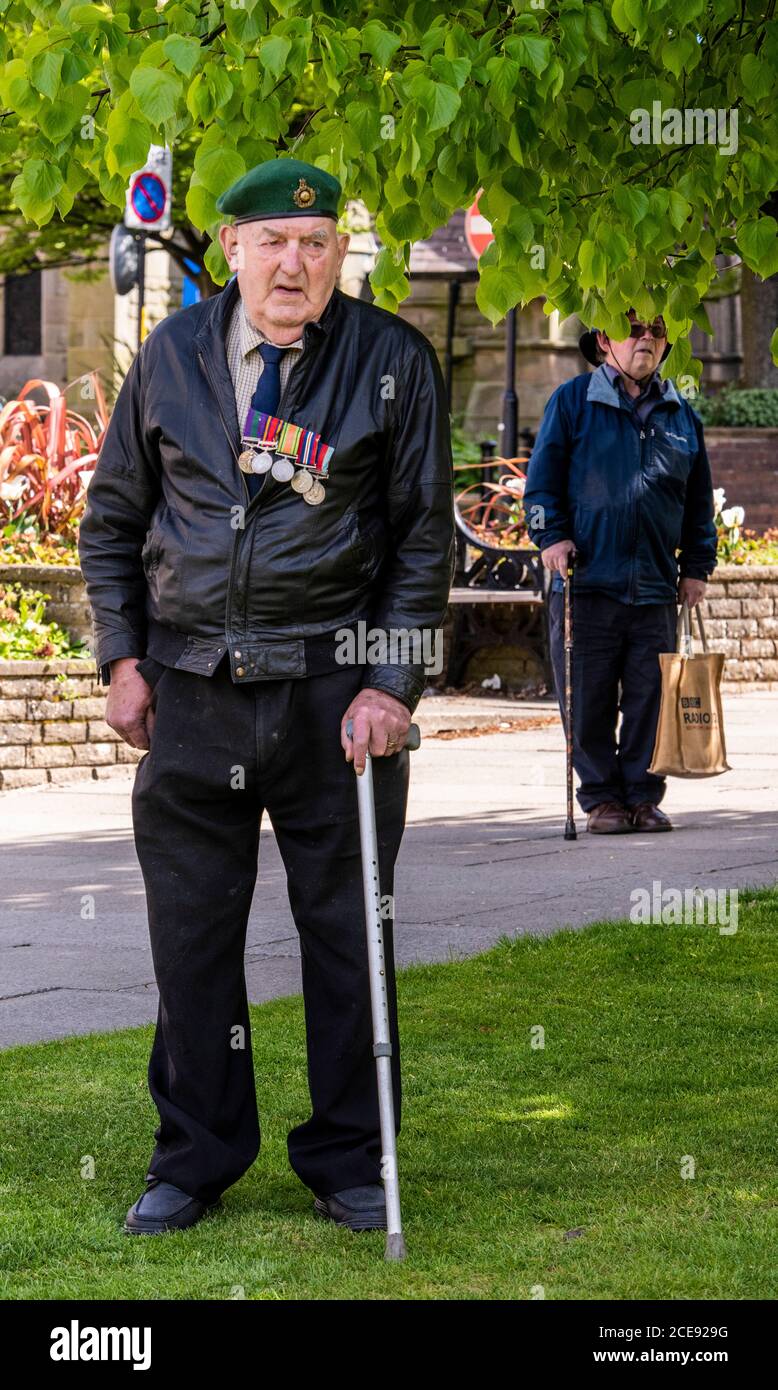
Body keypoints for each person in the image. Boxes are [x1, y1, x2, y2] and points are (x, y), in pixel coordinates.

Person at [78, 157, 455, 1235]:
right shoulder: (169, 356)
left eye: (318, 242)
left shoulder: (392, 360)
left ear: (338, 253)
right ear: (230, 250)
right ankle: (194, 1157)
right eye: (274, 241)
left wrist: (391, 681)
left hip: (337, 695)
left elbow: (421, 537)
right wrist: (121, 659)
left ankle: (348, 1159)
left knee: (348, 935)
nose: (296, 261)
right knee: (191, 939)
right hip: (192, 691)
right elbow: (111, 523)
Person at [523, 309, 717, 834]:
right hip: (587, 582)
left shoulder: (681, 415)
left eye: (657, 331)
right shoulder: (572, 402)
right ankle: (602, 799)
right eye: (635, 331)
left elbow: (698, 504)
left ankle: (643, 796)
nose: (647, 340)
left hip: (655, 585)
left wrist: (697, 566)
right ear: (605, 340)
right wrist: (551, 536)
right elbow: (541, 486)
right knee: (585, 700)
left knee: (650, 700)